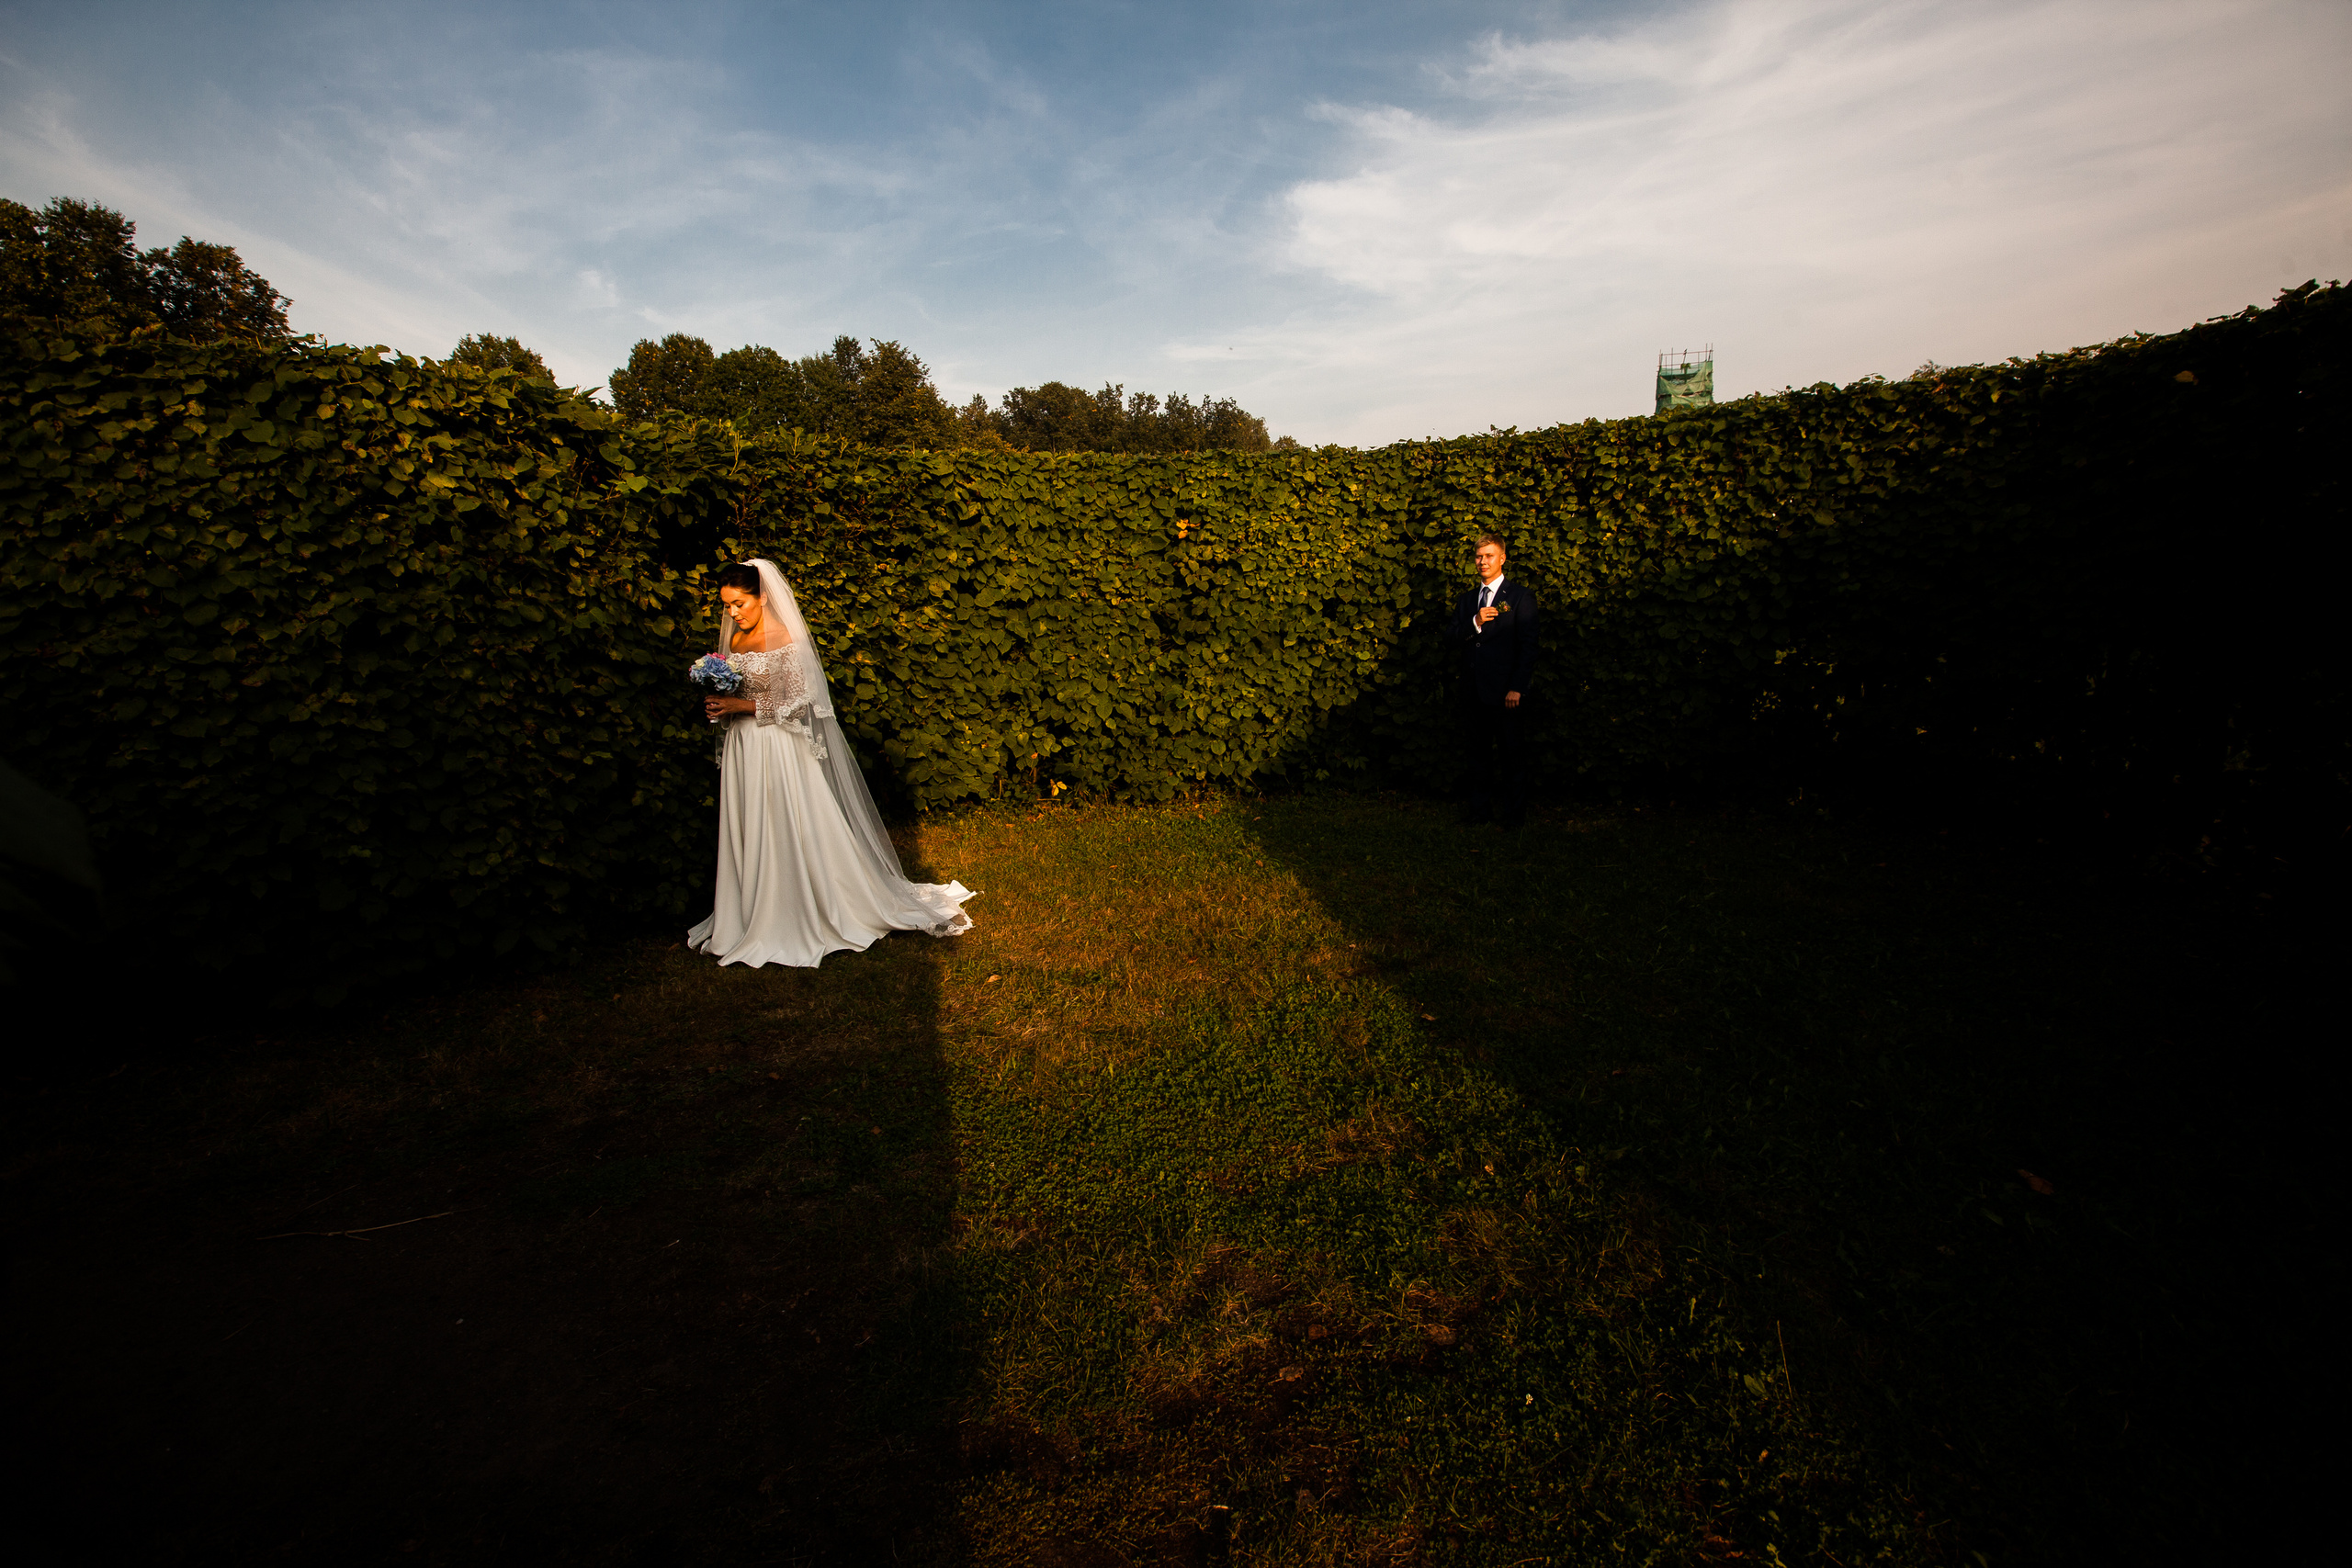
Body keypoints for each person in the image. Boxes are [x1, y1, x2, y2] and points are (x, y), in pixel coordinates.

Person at [688, 558, 975, 967]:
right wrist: (721, 705)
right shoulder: (734, 639)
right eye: (727, 606)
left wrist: (741, 704)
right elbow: (743, 689)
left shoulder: (785, 636)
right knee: (750, 822)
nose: (732, 614)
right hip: (745, 747)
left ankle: (798, 909)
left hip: (779, 749)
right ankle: (748, 911)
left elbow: (802, 703)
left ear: (762, 597)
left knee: (785, 822)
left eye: (739, 604)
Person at [1451, 534, 1538, 827]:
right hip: (1473, 690)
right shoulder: (1466, 600)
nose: (1482, 561)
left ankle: (1514, 817)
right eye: (1478, 556)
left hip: (1505, 693)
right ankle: (1479, 813)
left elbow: (1528, 646)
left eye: (1489, 556)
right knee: (1477, 756)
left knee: (1512, 755)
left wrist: (1517, 687)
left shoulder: (1519, 597)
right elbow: (1450, 637)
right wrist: (1474, 622)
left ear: (1502, 558)